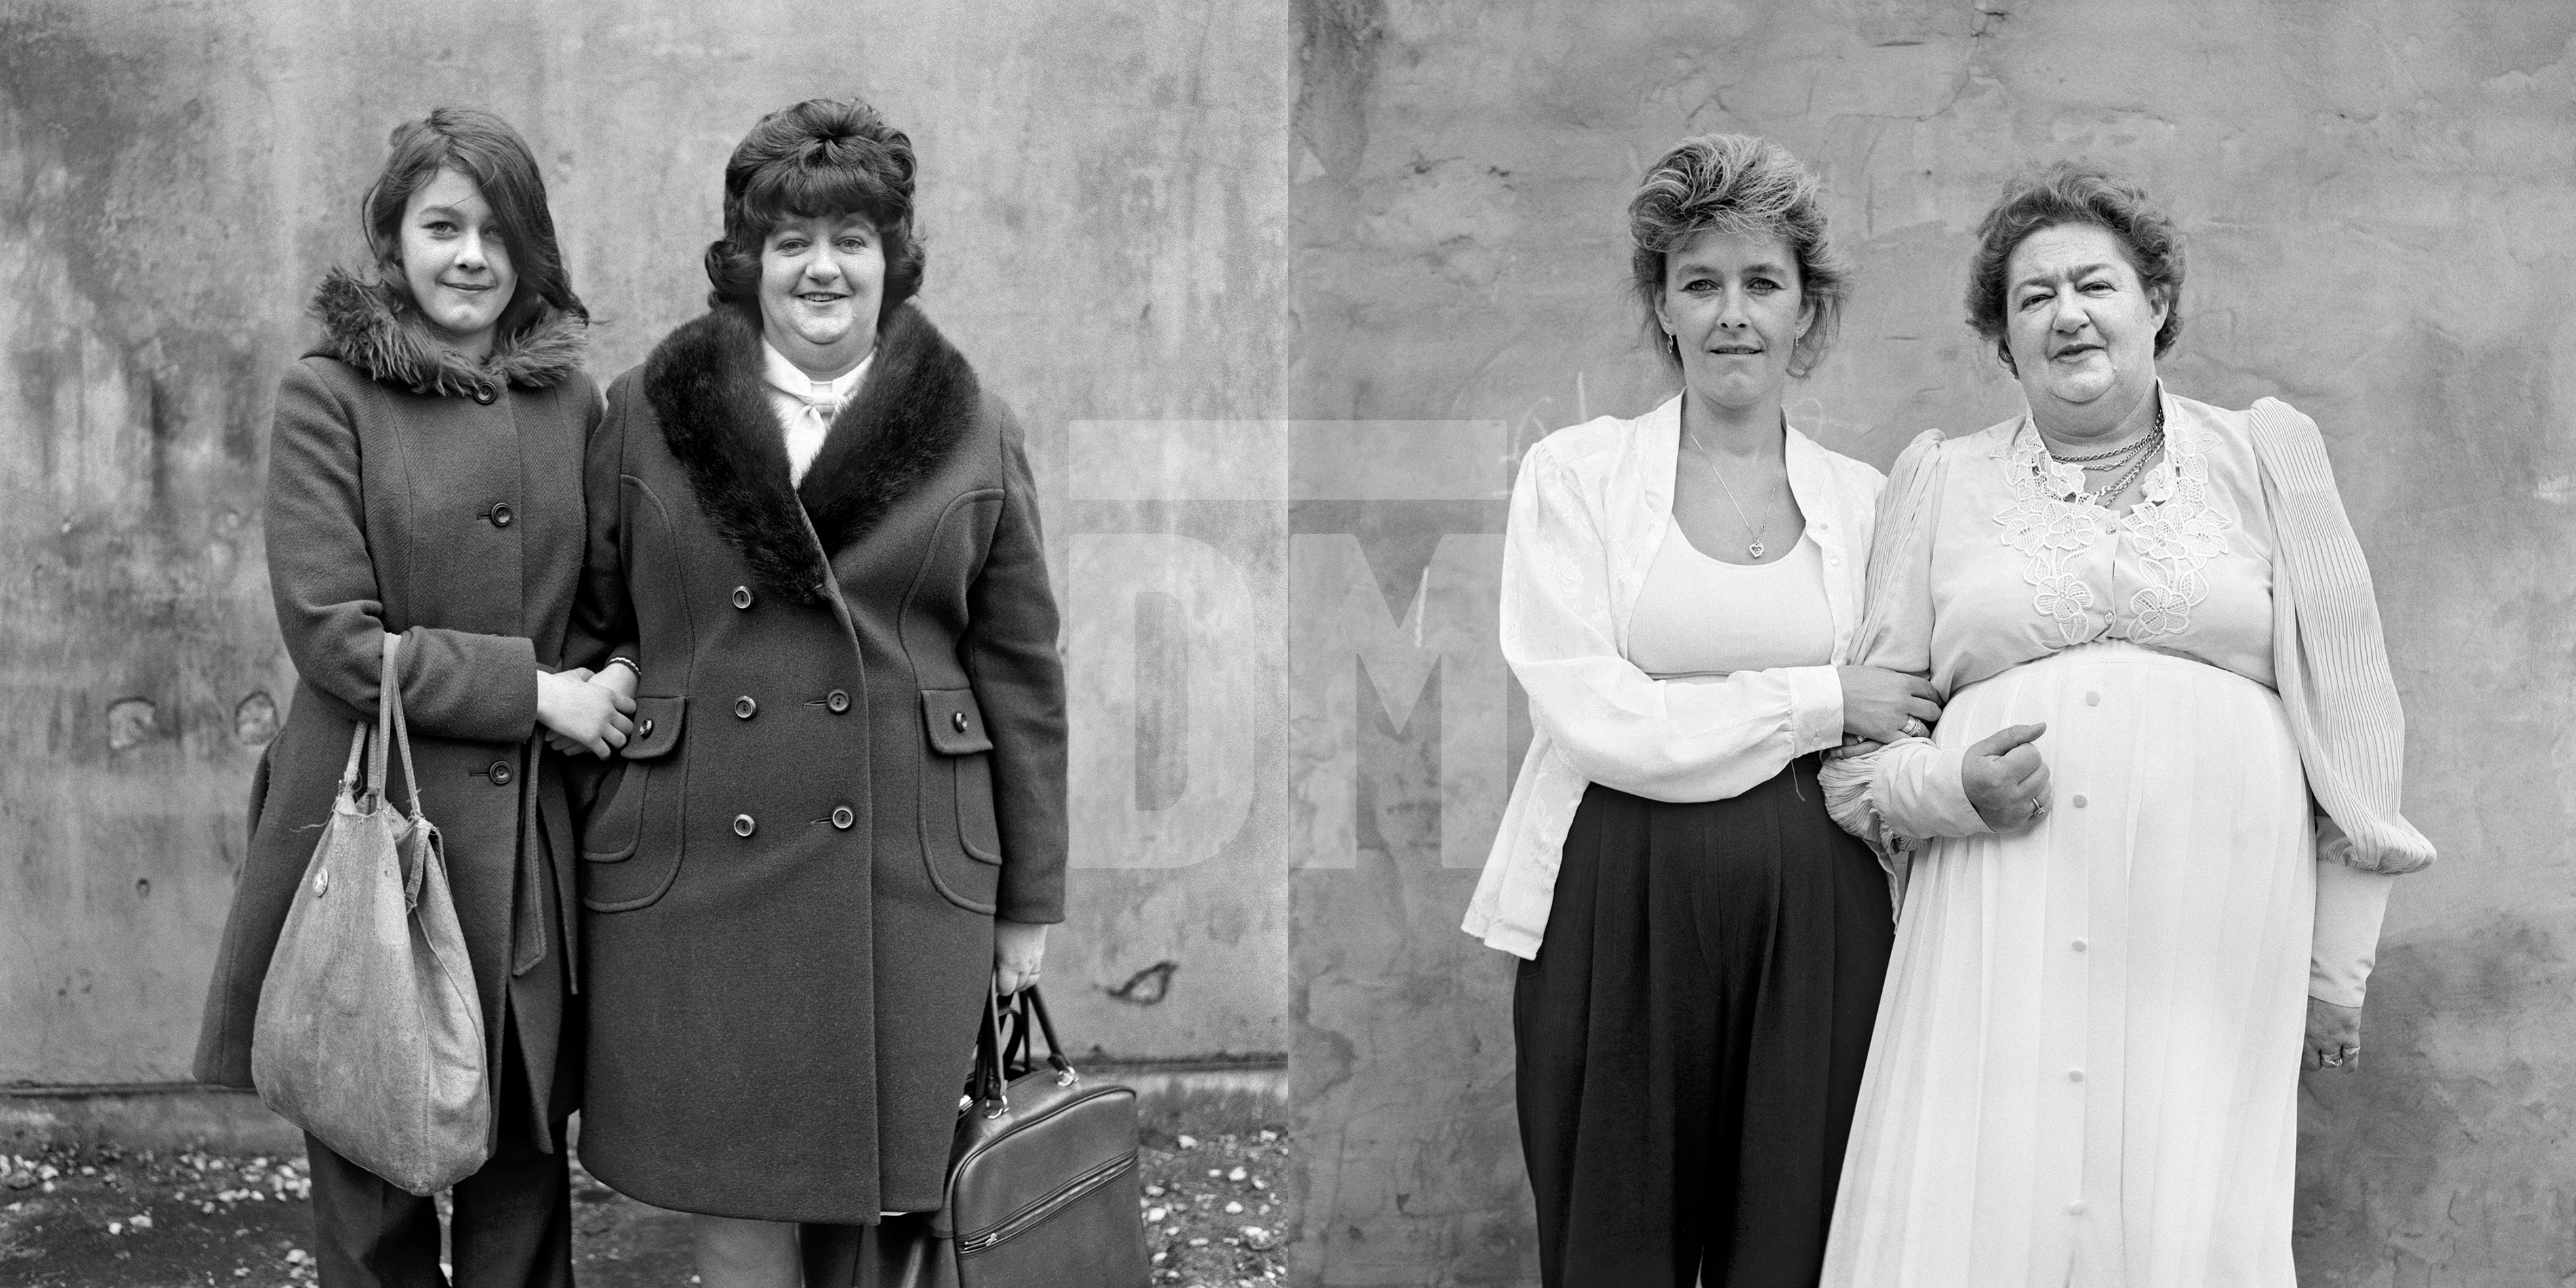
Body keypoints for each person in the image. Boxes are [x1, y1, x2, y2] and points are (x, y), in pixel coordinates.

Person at [1816, 165, 2434, 1285]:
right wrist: (1953, 789)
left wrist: (2336, 968)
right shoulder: (1940, 480)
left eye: (2093, 282)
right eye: (2031, 296)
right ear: (2003, 342)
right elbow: (1860, 761)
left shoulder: (2265, 455)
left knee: (2188, 1214)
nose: (2067, 313)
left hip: (2216, 930)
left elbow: (2354, 713)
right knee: (1987, 1201)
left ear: (2155, 301)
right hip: (1996, 920)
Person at [565, 97, 1067, 1288]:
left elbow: (1023, 673)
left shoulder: (974, 426)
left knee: (887, 1211)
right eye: (791, 242)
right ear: (747, 263)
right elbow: (595, 613)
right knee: (738, 1201)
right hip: (697, 861)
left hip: (904, 863)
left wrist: (1029, 900)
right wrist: (625, 680)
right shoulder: (646, 410)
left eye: (853, 238)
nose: (823, 269)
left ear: (895, 257)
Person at [1461, 134, 1943, 1287]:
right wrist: (1821, 697)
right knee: (1613, 1235)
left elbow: (1906, 717)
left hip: (1819, 910)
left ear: (1805, 314)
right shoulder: (1574, 479)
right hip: (1615, 900)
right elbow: (1594, 712)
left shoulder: (1868, 503)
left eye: (1763, 283)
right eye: (1701, 283)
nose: (1734, 314)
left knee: (1799, 1237)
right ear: (1662, 307)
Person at [193, 108, 628, 1288]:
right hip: (372, 834)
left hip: (523, 859)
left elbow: (599, 605)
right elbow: (336, 636)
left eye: (498, 230)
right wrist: (536, 695)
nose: (472, 256)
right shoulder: (328, 395)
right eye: (443, 225)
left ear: (530, 248)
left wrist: (613, 672)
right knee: (373, 1198)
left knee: (522, 1202)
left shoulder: (568, 403)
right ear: (393, 237)